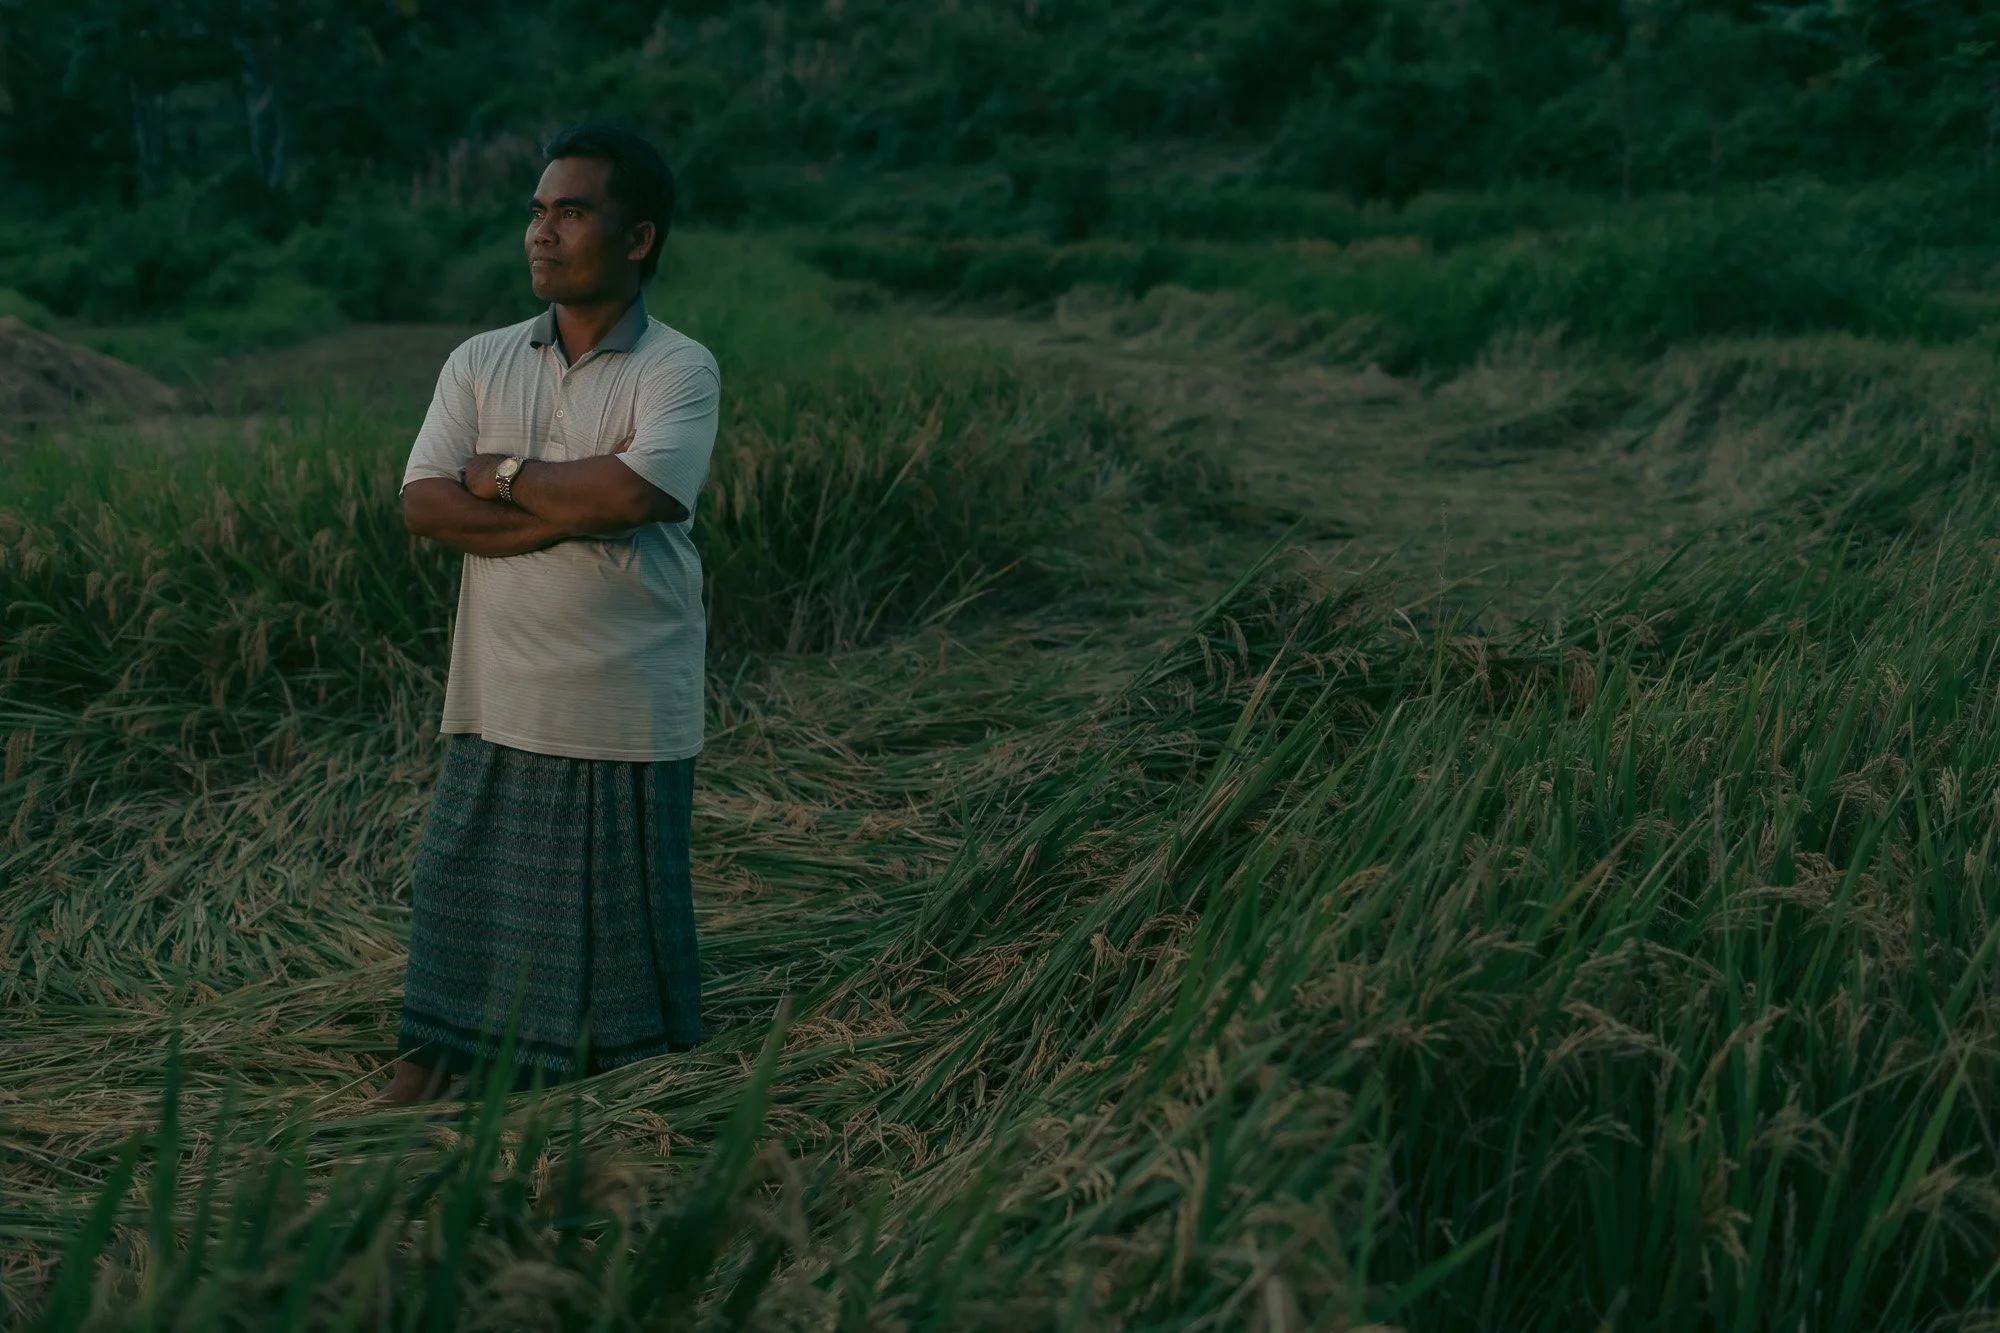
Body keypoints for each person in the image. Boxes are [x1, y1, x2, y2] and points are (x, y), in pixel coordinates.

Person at [377, 125, 720, 1103]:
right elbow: (423, 504)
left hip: (623, 700)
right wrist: (562, 512)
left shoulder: (678, 367)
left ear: (638, 237)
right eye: (537, 212)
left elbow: (634, 494)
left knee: (608, 935)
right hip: (497, 693)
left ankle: (596, 1109)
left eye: (571, 212)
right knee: (463, 890)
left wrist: (501, 476)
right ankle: (438, 1072)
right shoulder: (480, 359)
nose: (541, 232)